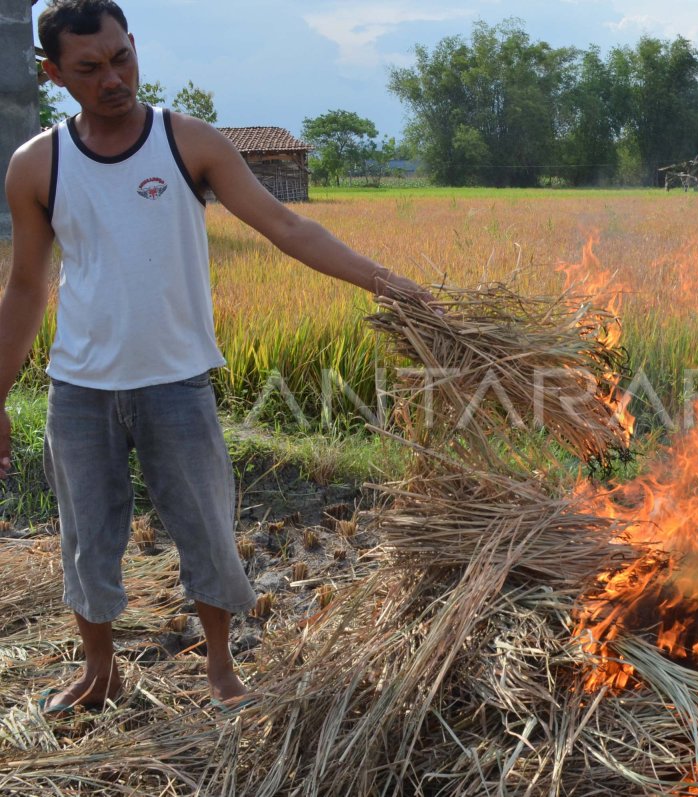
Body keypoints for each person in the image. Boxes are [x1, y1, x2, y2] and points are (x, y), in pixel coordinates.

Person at [0, 0, 431, 713]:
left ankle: (222, 667)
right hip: (79, 389)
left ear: (133, 45)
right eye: (89, 68)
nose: (113, 78)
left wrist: (393, 286)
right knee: (87, 542)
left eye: (121, 58)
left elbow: (286, 225)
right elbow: (23, 287)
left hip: (177, 382)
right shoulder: (37, 164)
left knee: (206, 529)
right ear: (53, 74)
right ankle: (101, 669)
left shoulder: (186, 142)